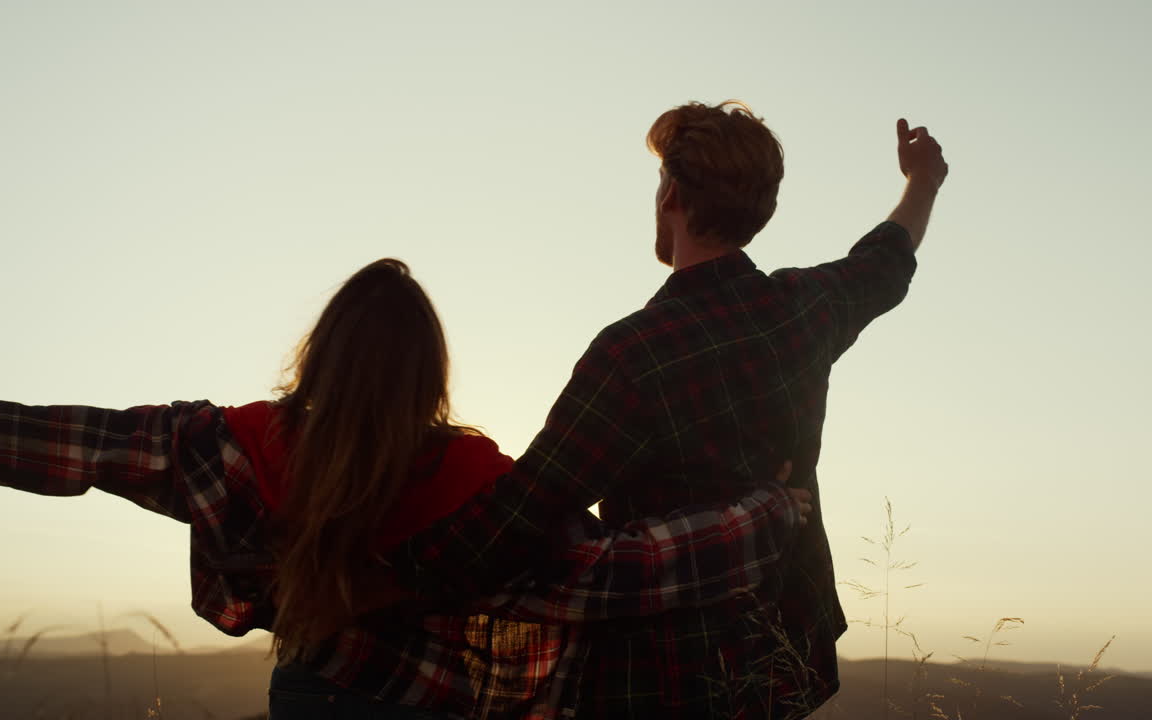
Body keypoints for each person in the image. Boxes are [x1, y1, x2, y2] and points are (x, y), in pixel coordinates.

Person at [0, 258, 814, 719]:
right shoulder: (472, 481)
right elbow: (622, 571)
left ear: (321, 352)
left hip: (313, 696)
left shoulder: (241, 448)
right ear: (430, 373)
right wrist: (769, 512)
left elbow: (86, 443)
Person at [353, 104, 948, 719]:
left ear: (671, 194)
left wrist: (385, 577)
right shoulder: (804, 310)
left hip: (667, 674)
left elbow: (523, 508)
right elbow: (887, 260)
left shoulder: (635, 353)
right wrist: (921, 182)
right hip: (784, 659)